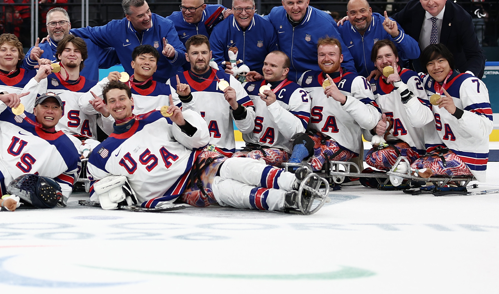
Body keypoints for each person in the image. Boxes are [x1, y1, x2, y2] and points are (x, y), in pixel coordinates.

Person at [86, 80, 327, 214]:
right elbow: (99, 193)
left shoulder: (157, 117)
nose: (118, 105)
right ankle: (287, 201)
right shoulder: (101, 154)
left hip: (197, 162)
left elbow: (199, 139)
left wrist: (180, 121)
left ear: (131, 100)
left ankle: (293, 183)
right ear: (105, 106)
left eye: (122, 99)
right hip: (179, 191)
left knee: (239, 167)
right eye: (112, 101)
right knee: (231, 194)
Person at [298, 38, 385, 173]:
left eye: (332, 54)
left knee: (317, 159)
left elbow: (371, 120)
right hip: (314, 138)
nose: (326, 58)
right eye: (322, 55)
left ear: (341, 58)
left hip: (343, 144)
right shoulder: (306, 79)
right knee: (297, 150)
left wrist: (344, 99)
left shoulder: (355, 81)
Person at [360, 40, 433, 185]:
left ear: (397, 58)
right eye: (379, 57)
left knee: (379, 158)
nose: (385, 61)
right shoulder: (373, 85)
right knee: (371, 158)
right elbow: (368, 134)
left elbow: (423, 117)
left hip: (415, 147)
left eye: (388, 55)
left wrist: (399, 84)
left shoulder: (409, 78)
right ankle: (403, 172)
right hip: (392, 145)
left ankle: (411, 168)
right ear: (374, 63)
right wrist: (374, 129)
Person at [417, 43, 493, 182]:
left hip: (468, 156)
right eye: (430, 63)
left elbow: (485, 127)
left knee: (423, 172)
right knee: (414, 168)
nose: (436, 67)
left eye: (441, 61)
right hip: (443, 151)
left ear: (449, 62)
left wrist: (457, 111)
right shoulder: (428, 83)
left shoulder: (468, 83)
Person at [73, 0, 186, 83]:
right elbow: (90, 33)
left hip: (167, 86)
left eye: (148, 11)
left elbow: (182, 55)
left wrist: (173, 54)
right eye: (140, 15)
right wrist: (63, 33)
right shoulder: (116, 29)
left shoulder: (165, 25)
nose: (147, 17)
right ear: (128, 17)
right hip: (136, 89)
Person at [175, 35, 255, 155]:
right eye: (195, 53)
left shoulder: (230, 82)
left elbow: (247, 128)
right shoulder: (174, 83)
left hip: (223, 153)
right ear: (187, 57)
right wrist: (185, 99)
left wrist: (235, 106)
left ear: (211, 55)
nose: (200, 57)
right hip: (186, 155)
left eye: (204, 52)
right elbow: (175, 127)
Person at [391, 0, 486, 77]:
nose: (431, 2)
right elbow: (390, 24)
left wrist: (467, 78)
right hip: (419, 73)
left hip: (453, 74)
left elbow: (476, 55)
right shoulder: (412, 9)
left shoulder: (461, 17)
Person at [237, 51, 313, 166]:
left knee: (247, 160)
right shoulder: (249, 87)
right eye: (265, 64)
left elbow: (297, 132)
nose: (267, 68)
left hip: (279, 151)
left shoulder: (297, 93)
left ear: (285, 71)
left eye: (273, 66)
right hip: (249, 148)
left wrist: (273, 105)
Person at [268, 0, 354, 80]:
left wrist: (351, 85)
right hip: (285, 80)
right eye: (290, 3)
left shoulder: (324, 23)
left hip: (316, 82)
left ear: (307, 2)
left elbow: (344, 58)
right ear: (283, 4)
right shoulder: (276, 15)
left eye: (299, 2)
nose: (295, 7)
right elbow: (258, 24)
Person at [340, 0, 420, 77]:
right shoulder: (342, 29)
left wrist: (397, 34)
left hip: (388, 80)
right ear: (348, 14)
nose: (359, 16)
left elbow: (415, 54)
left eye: (362, 11)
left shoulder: (386, 25)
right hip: (356, 84)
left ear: (370, 11)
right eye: (353, 13)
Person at [209, 0, 277, 77]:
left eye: (248, 8)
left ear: (254, 8)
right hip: (230, 80)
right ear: (232, 9)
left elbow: (275, 59)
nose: (244, 13)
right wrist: (225, 75)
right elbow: (215, 61)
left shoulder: (267, 28)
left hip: (258, 80)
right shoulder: (219, 30)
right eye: (239, 9)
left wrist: (262, 76)